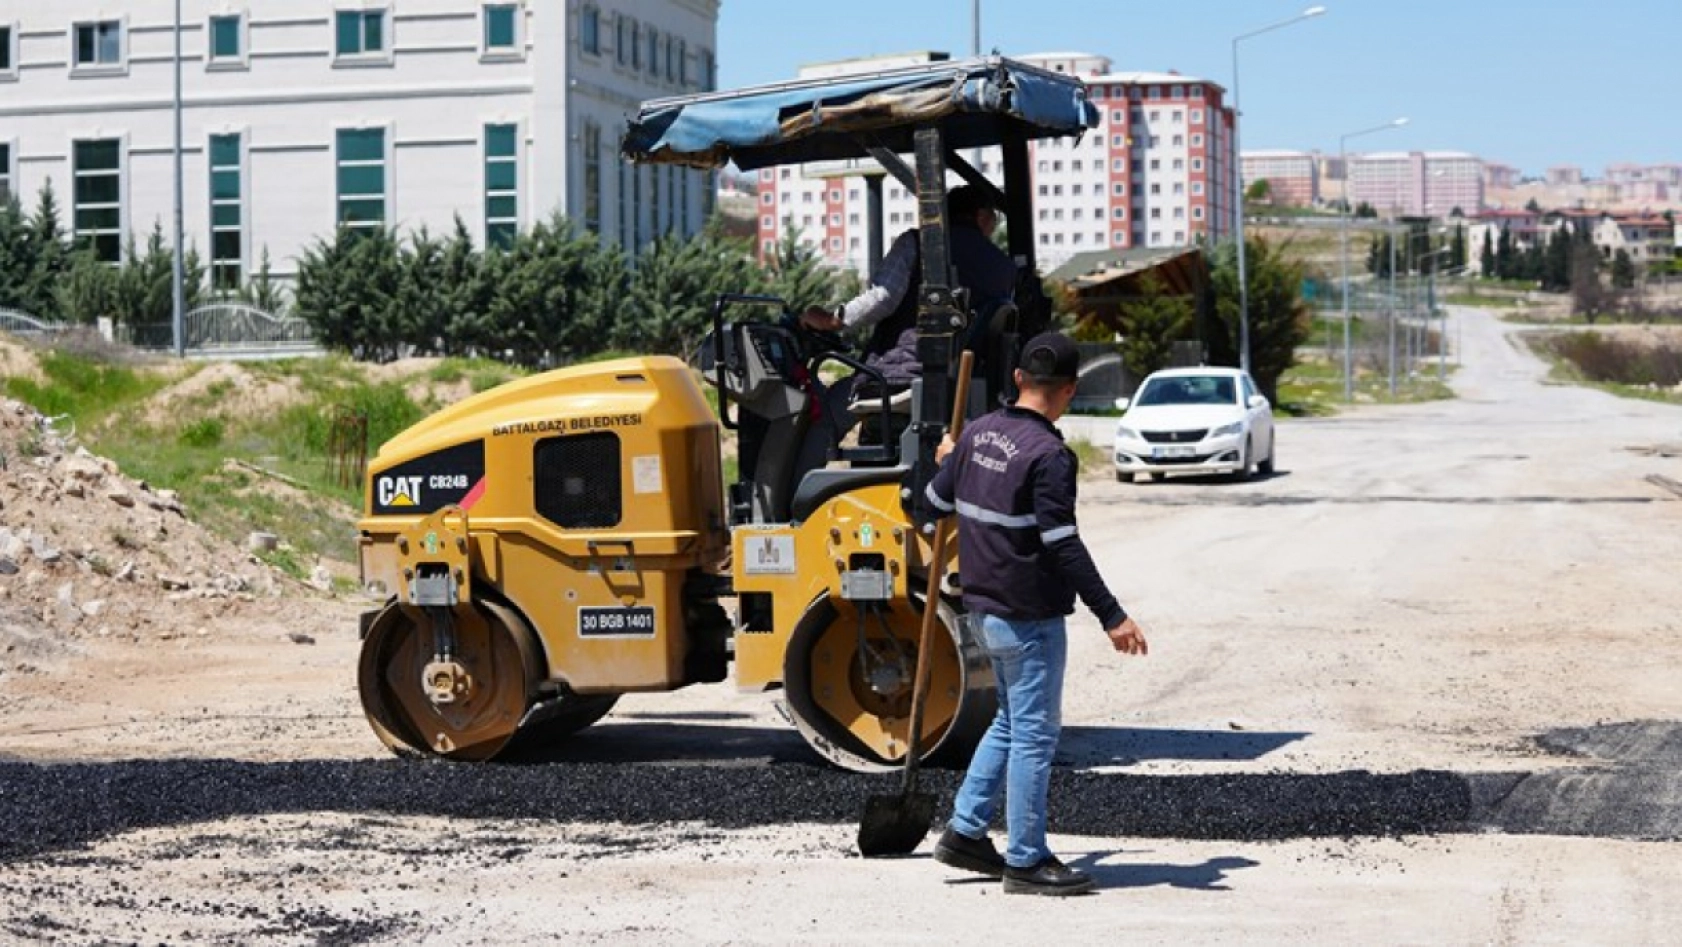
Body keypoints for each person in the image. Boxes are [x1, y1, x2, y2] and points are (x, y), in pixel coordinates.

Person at [923, 330, 1150, 897]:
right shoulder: (1049, 456)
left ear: (1019, 378)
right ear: (1069, 390)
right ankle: (1025, 860)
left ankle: (965, 831)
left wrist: (948, 461)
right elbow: (1062, 544)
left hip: (981, 611)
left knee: (1009, 722)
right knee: (1033, 736)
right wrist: (1112, 615)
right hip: (1027, 617)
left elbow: (930, 503)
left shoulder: (976, 433)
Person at [789, 185, 1015, 478]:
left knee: (825, 411)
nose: (994, 226)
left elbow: (882, 297)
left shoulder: (918, 244)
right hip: (963, 380)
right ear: (982, 216)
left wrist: (832, 321)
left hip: (903, 374)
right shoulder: (1004, 267)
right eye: (995, 219)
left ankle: (793, 495)